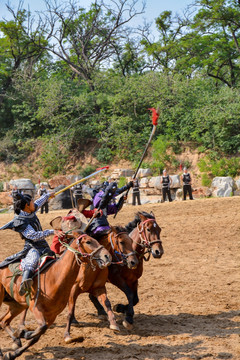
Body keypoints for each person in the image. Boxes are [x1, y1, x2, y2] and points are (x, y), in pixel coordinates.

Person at [0, 192, 56, 295]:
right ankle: (24, 283)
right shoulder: (20, 220)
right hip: (32, 246)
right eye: (32, 202)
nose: (34, 203)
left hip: (43, 245)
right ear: (26, 205)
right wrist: (51, 231)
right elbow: (33, 236)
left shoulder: (30, 209)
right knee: (32, 259)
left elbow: (39, 202)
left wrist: (48, 195)